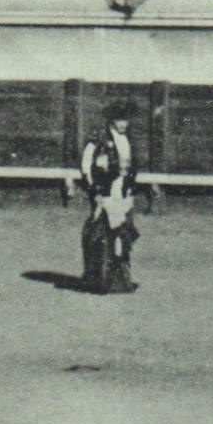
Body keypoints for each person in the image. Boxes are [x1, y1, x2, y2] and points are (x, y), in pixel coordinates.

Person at [78, 101, 140, 294]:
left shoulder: (127, 139)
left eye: (125, 120)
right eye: (119, 120)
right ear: (111, 120)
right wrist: (94, 191)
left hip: (123, 191)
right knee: (102, 234)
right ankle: (99, 279)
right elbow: (86, 166)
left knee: (123, 233)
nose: (123, 124)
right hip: (104, 191)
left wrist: (130, 187)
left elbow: (131, 167)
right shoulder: (99, 139)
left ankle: (121, 280)